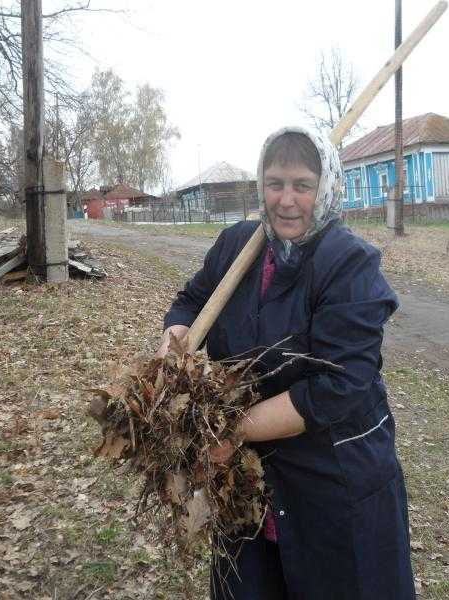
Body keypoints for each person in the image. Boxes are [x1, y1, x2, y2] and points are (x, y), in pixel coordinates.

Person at [158, 126, 414, 600]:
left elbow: (335, 388)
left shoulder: (349, 263)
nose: (286, 200)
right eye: (275, 183)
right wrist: (175, 340)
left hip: (332, 481)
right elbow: (192, 301)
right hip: (249, 484)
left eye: (302, 185)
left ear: (327, 188)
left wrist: (229, 431)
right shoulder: (237, 244)